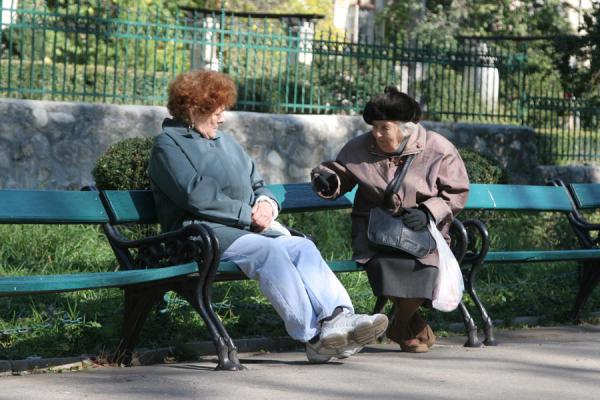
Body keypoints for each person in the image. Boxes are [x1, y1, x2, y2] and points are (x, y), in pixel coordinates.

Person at [148, 70, 388, 363]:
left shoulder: (226, 142)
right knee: (269, 250)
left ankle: (340, 317)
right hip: (198, 235)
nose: (222, 118)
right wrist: (247, 215)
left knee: (302, 246)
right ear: (191, 109)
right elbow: (195, 195)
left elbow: (258, 184)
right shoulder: (167, 145)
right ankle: (313, 336)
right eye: (216, 111)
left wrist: (265, 204)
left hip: (243, 231)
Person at [311, 86, 469, 353]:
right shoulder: (359, 148)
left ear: (406, 128)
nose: (377, 134)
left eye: (384, 127)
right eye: (374, 127)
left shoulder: (439, 148)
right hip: (374, 229)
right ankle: (411, 325)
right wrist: (328, 180)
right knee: (384, 264)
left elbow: (456, 192)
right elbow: (341, 176)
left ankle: (399, 324)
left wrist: (429, 211)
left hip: (422, 230)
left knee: (427, 268)